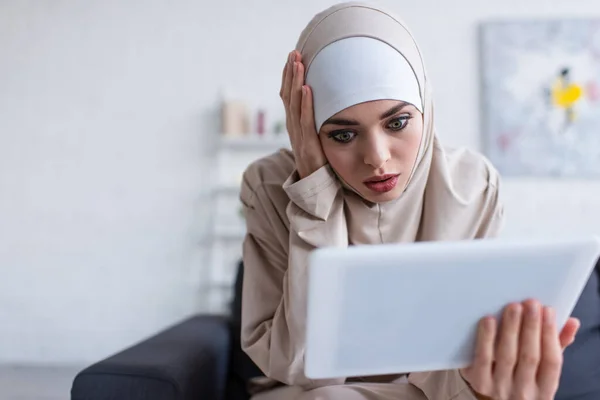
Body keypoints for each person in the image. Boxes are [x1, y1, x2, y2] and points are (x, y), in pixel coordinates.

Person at [238, 2, 580, 399]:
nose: (377, 157)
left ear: (424, 106)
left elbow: (462, 359)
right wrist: (313, 194)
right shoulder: (269, 186)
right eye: (342, 134)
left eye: (397, 122)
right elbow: (301, 366)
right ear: (310, 130)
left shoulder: (471, 185)